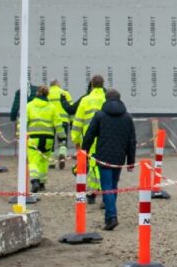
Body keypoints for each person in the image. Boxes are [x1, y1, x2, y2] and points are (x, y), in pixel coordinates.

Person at [81, 89, 136, 231]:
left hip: (103, 157)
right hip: (119, 157)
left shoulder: (100, 115)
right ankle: (109, 214)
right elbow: (132, 141)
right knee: (113, 186)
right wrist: (130, 161)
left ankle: (111, 216)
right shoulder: (127, 117)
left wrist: (84, 151)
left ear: (106, 99)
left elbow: (89, 135)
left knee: (106, 187)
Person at [62, 75, 107, 203]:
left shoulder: (85, 100)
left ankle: (96, 192)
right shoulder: (107, 99)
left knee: (94, 166)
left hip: (90, 138)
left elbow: (78, 122)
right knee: (104, 165)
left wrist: (76, 139)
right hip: (105, 137)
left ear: (92, 84)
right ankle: (100, 192)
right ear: (103, 84)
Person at [25, 85, 59, 192]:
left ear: (37, 93)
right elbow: (58, 124)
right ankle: (42, 183)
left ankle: (34, 180)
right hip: (48, 138)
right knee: (44, 161)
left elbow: (22, 122)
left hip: (34, 138)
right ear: (47, 94)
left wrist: (19, 134)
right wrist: (62, 137)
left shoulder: (29, 106)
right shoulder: (52, 107)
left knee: (34, 161)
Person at [47, 78, 73, 169]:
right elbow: (71, 108)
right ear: (58, 84)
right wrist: (72, 121)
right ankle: (62, 154)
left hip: (50, 121)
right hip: (63, 120)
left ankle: (51, 163)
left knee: (50, 142)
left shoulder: (47, 93)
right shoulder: (65, 93)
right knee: (63, 140)